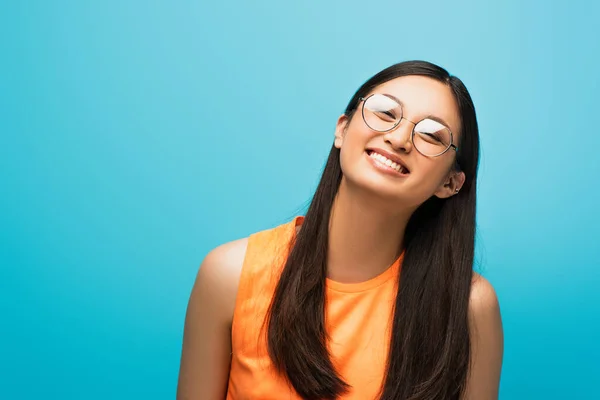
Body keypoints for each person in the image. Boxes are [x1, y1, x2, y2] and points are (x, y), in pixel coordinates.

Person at [177, 60, 504, 400]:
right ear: (342, 129)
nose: (399, 138)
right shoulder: (229, 275)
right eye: (385, 113)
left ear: (451, 183)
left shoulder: (469, 306)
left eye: (432, 135)